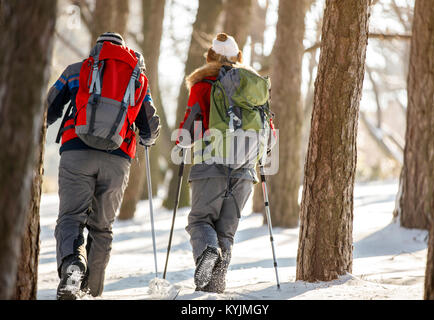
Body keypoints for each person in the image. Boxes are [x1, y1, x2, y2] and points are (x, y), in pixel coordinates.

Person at [46, 32, 161, 299]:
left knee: (71, 218)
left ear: (96, 50)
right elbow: (150, 127)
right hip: (118, 159)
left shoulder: (77, 71)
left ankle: (73, 266)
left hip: (77, 151)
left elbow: (47, 109)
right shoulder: (137, 79)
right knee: (102, 227)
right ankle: (92, 292)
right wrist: (146, 138)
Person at [177, 33, 276, 293]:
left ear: (209, 58)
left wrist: (181, 141)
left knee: (200, 221)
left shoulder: (203, 85)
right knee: (226, 231)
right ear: (239, 58)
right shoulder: (253, 90)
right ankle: (215, 285)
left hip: (210, 164)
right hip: (245, 171)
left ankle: (208, 252)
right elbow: (270, 136)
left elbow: (189, 130)